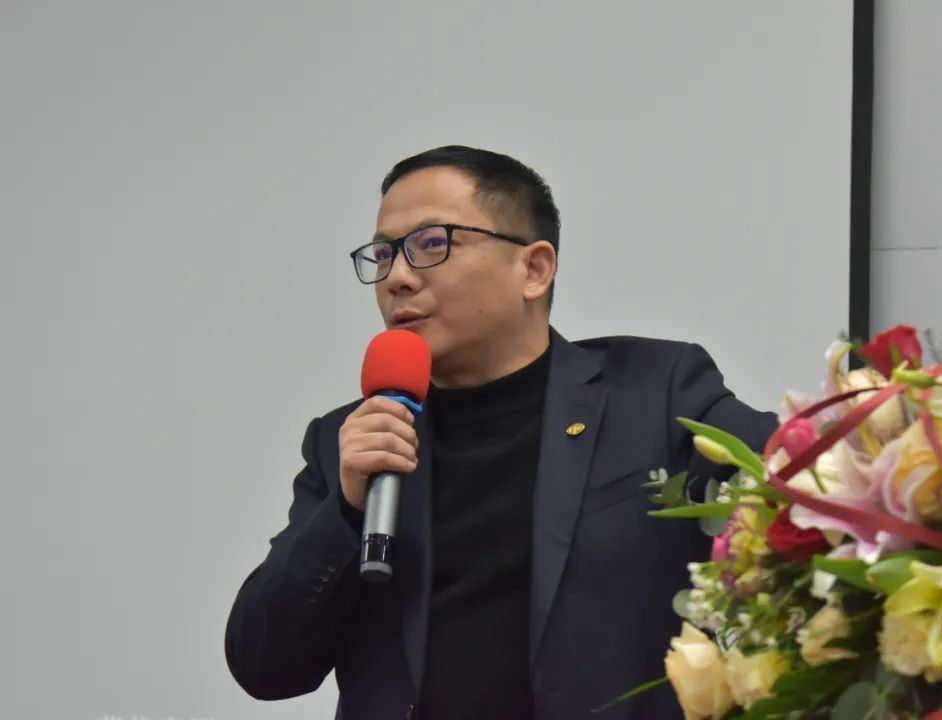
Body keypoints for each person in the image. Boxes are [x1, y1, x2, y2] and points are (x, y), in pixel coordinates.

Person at [224, 145, 778, 719]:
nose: (397, 278)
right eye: (383, 255)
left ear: (533, 269)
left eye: (431, 244)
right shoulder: (351, 442)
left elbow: (799, 494)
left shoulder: (655, 394)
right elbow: (264, 667)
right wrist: (345, 510)